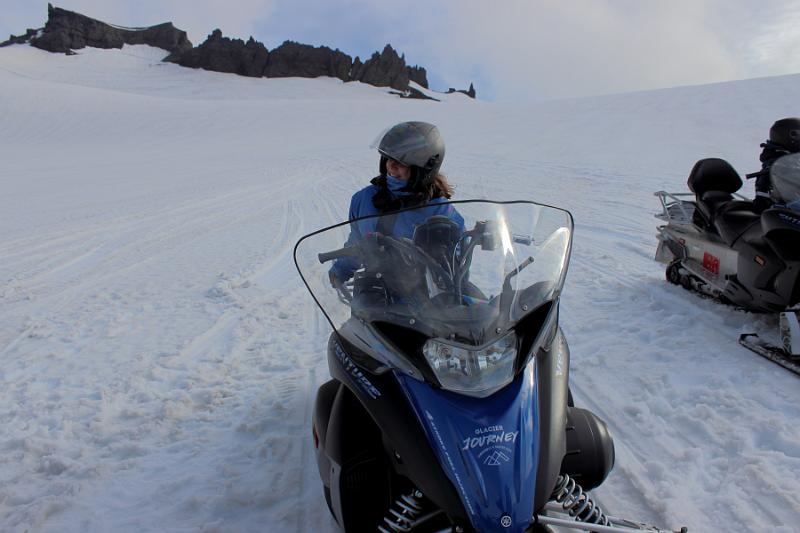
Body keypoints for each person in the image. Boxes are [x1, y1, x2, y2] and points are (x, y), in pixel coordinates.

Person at [329, 121, 464, 286]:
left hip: (423, 296)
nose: (391, 166)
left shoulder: (440, 212)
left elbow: (457, 265)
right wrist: (341, 269)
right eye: (388, 158)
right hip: (375, 292)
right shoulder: (364, 199)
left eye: (401, 162)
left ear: (423, 169)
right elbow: (357, 241)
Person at [752, 117, 800, 212]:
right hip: (780, 211)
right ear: (792, 135)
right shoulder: (776, 161)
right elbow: (765, 179)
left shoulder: (794, 158)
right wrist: (762, 197)